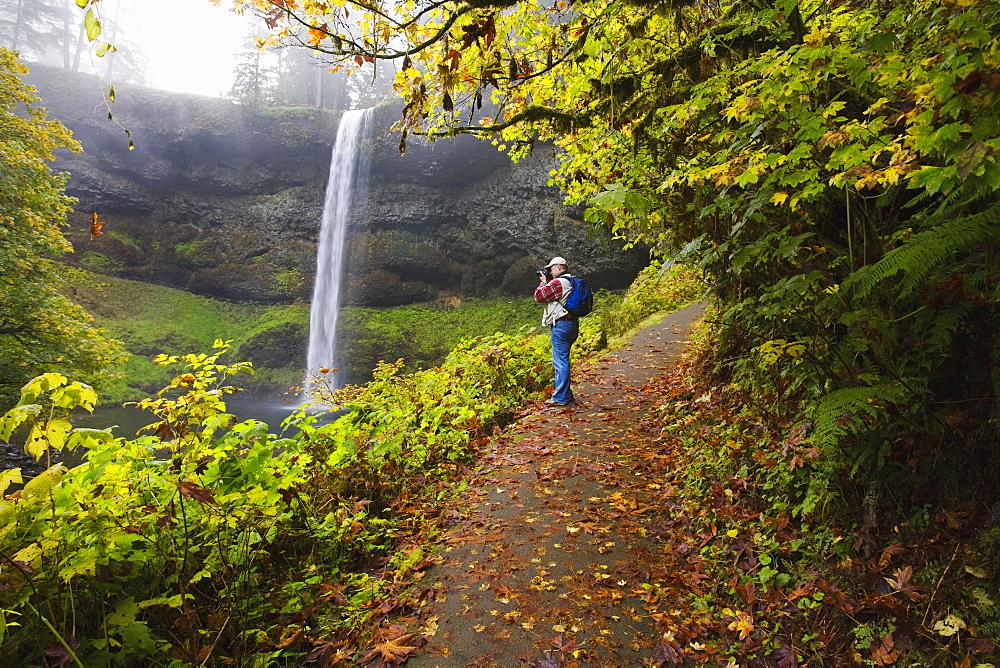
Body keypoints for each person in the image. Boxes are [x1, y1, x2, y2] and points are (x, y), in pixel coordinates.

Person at [534, 256, 578, 406]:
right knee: (563, 360)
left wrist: (543, 283)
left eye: (551, 269)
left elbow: (539, 297)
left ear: (559, 267)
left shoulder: (559, 282)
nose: (550, 272)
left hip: (561, 326)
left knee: (560, 362)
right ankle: (566, 393)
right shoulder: (571, 280)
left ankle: (561, 397)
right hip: (572, 324)